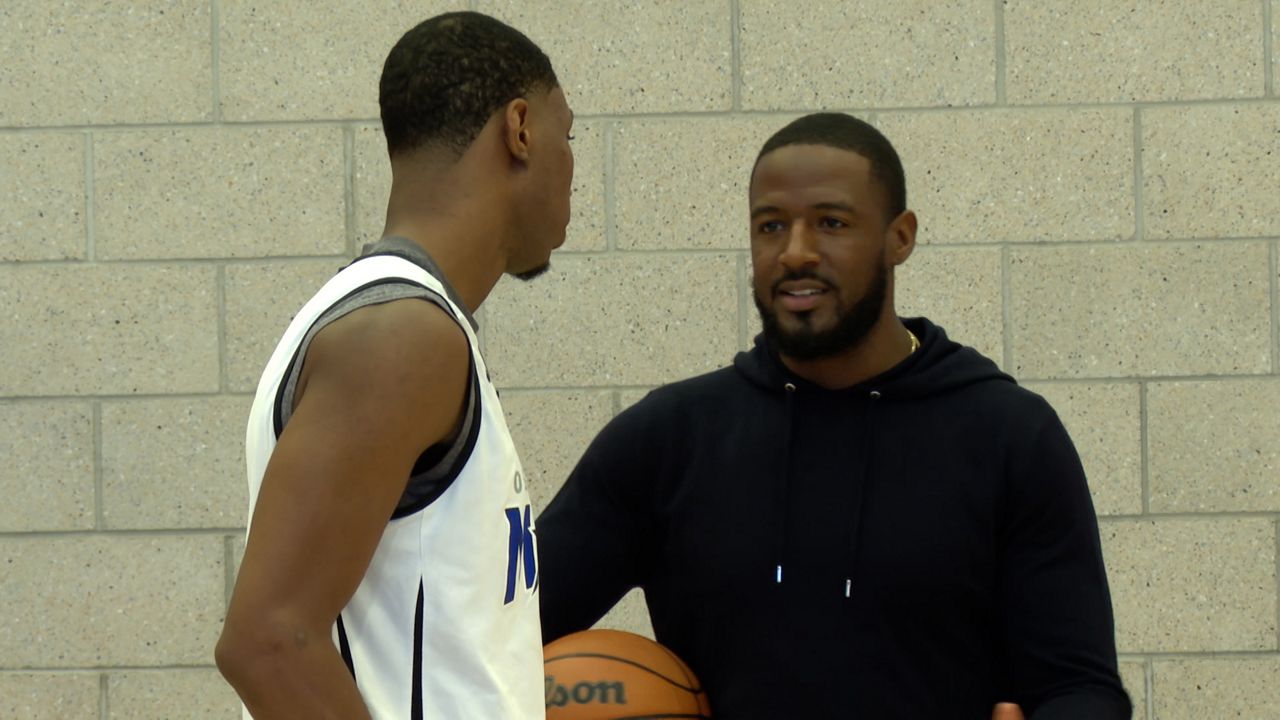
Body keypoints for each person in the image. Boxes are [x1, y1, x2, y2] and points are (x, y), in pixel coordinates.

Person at [536, 113, 1131, 719]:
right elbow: (497, 634)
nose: (795, 252)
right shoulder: (666, 441)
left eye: (831, 223)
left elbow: (1079, 686)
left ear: (899, 237)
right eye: (771, 226)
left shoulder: (1010, 436)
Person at [215, 12, 574, 719]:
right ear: (521, 128)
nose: (572, 165)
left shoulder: (393, 323)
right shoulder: (401, 339)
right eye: (571, 134)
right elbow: (266, 642)